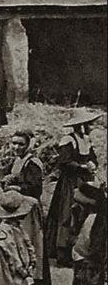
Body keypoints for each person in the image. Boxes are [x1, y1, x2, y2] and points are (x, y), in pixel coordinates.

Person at [1, 131, 52, 285]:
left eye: (21, 144)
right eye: (14, 143)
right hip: (17, 209)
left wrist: (16, 187)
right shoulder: (17, 161)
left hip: (29, 211)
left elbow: (35, 188)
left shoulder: (33, 163)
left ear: (28, 145)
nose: (16, 147)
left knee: (30, 250)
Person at [46, 110, 101, 267]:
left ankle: (81, 250)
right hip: (71, 182)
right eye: (87, 124)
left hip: (85, 180)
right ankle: (63, 253)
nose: (89, 127)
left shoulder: (86, 140)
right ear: (80, 125)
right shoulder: (68, 140)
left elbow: (92, 157)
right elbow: (65, 162)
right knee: (68, 214)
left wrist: (92, 164)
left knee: (84, 214)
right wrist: (82, 167)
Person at [67, 181, 106, 285]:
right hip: (82, 260)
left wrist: (92, 264)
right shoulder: (87, 216)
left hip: (90, 264)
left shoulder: (100, 221)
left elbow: (97, 247)